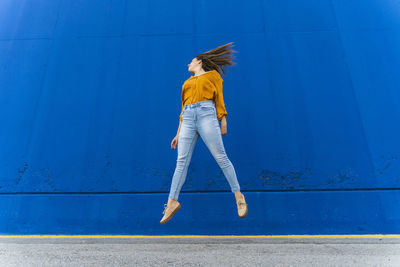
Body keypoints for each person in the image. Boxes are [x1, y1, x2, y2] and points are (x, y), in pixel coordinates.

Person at [160, 42, 248, 224]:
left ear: (199, 62)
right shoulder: (187, 83)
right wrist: (177, 133)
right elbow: (182, 109)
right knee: (181, 162)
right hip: (188, 119)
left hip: (207, 114)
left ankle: (239, 196)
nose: (188, 65)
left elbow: (219, 98)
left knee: (221, 157)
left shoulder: (213, 76)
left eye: (191, 61)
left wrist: (223, 119)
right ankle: (171, 202)